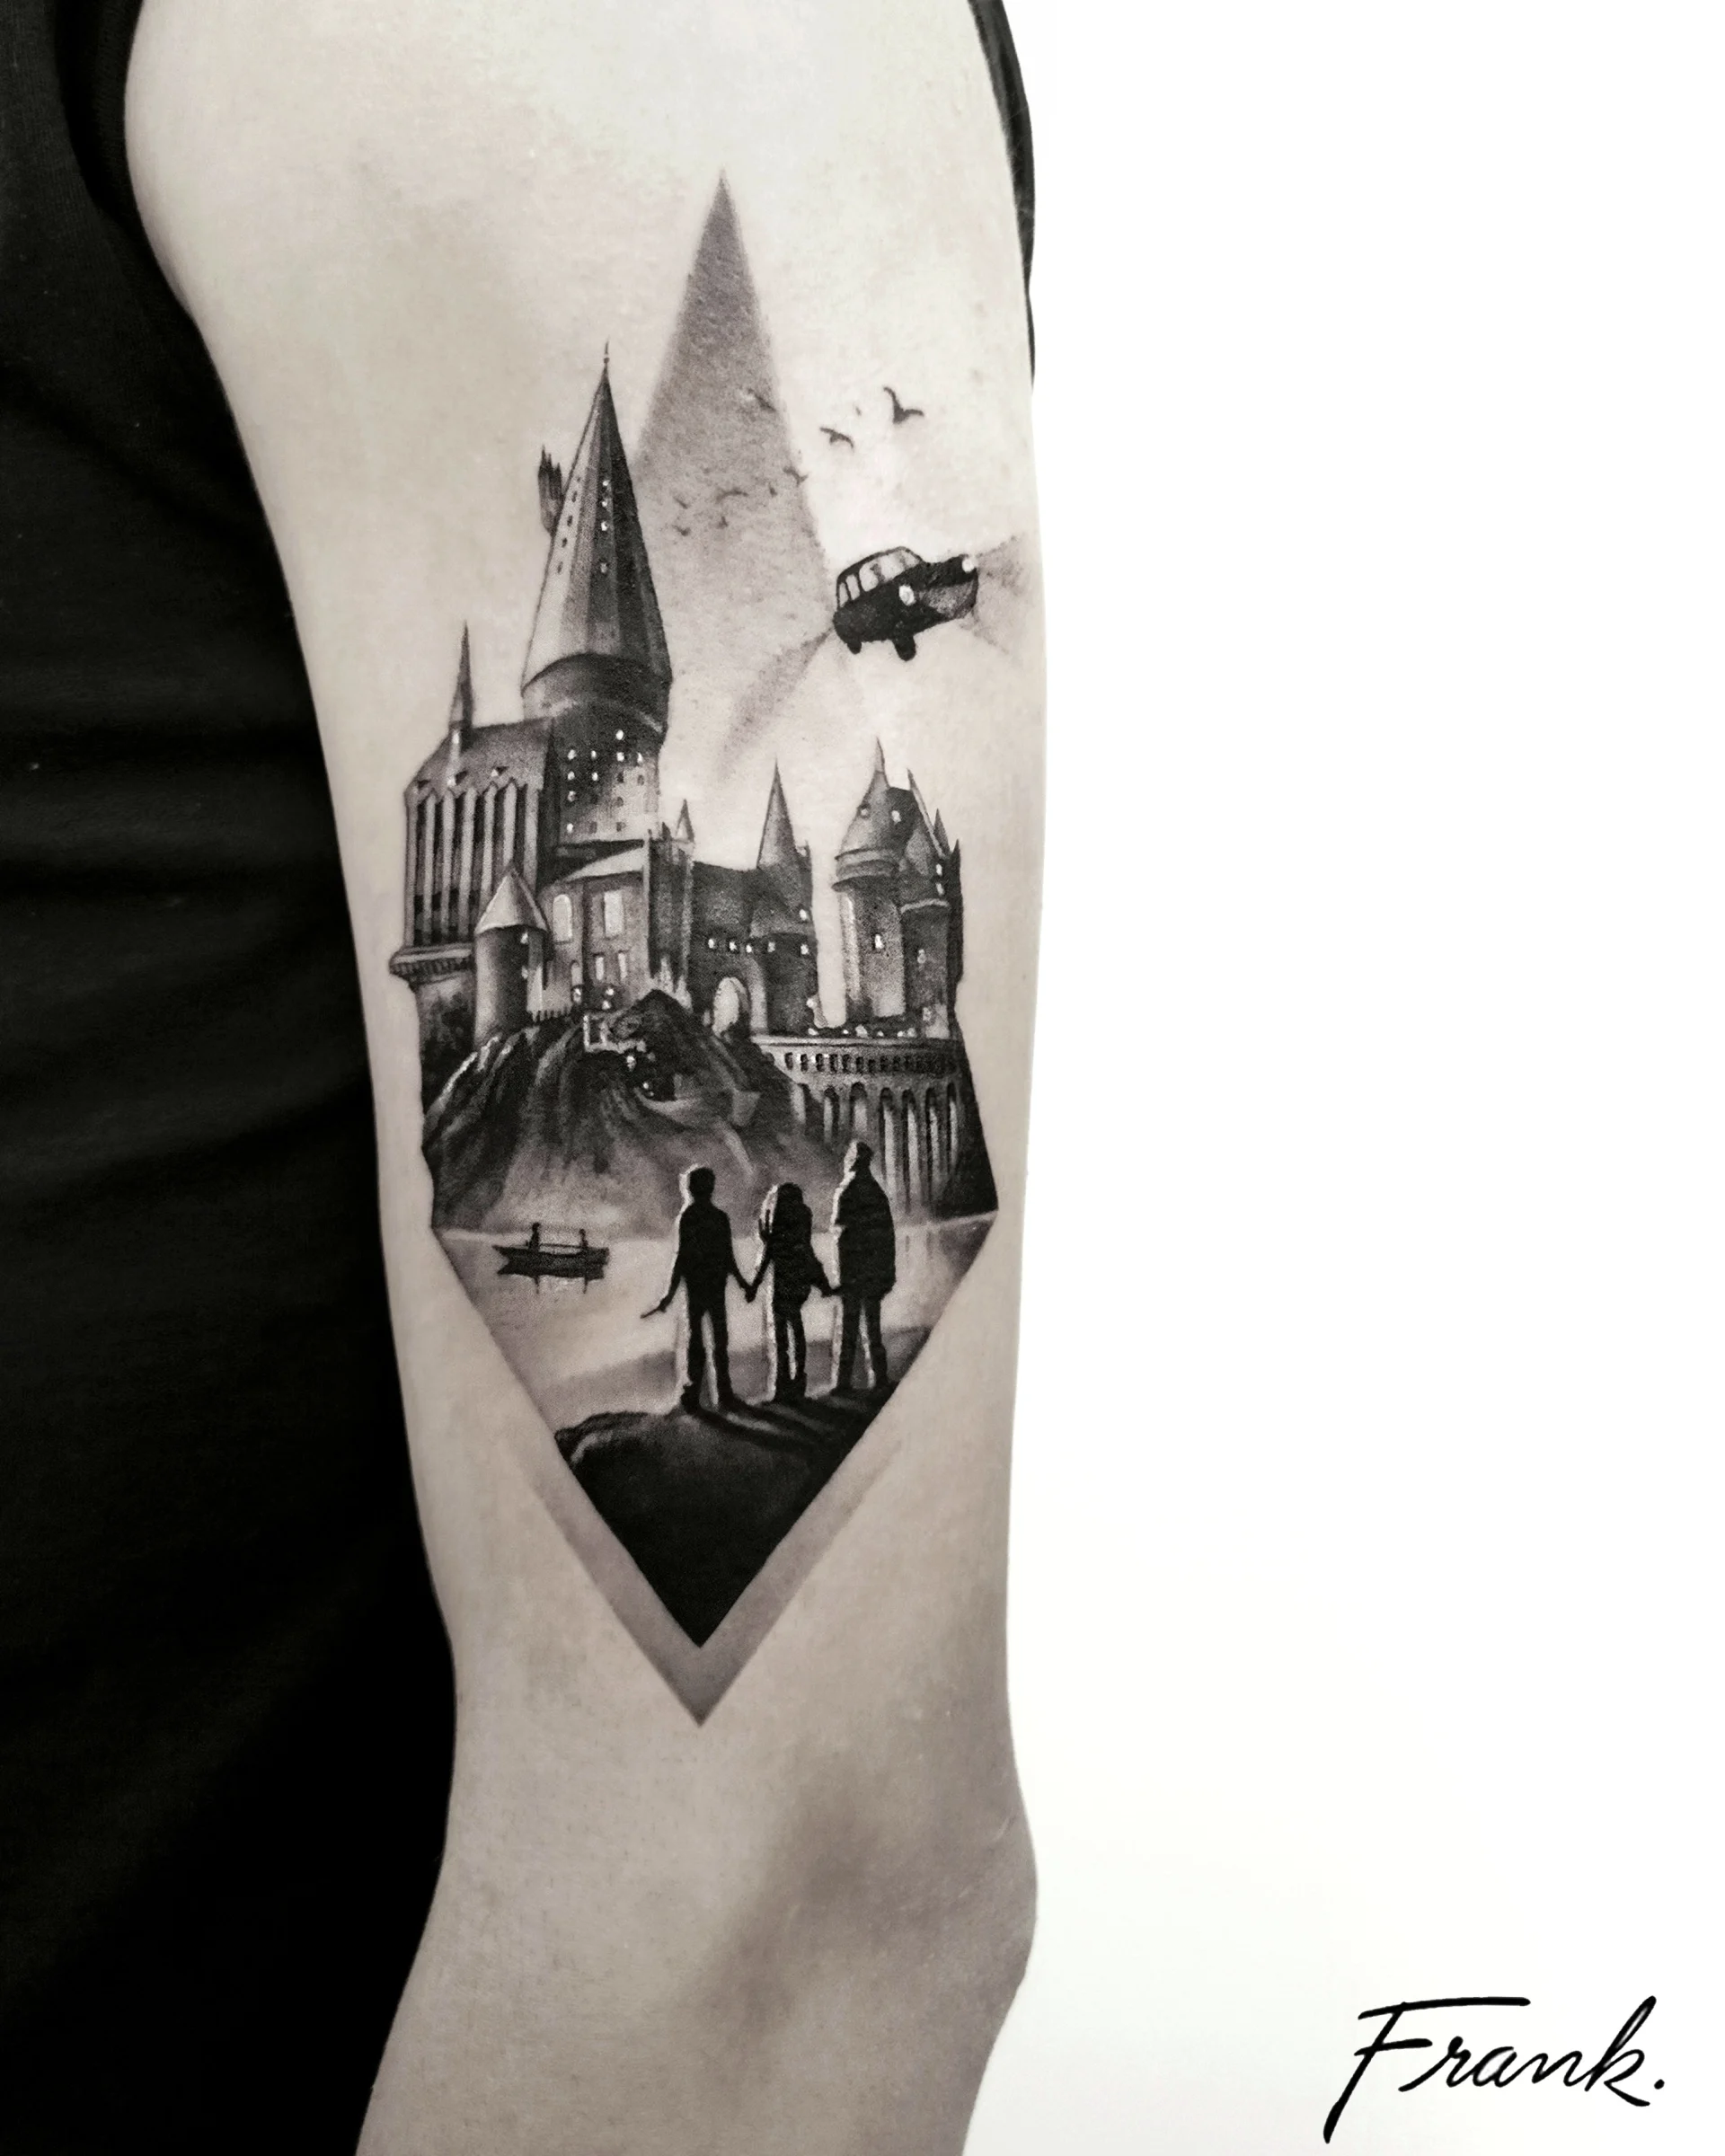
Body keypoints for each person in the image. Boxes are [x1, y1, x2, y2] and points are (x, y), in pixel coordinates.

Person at [650, 1166, 749, 1411]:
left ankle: (693, 1395)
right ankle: (723, 1394)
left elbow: (681, 1259)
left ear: (690, 1188)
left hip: (696, 1289)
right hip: (716, 1287)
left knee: (696, 1342)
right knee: (720, 1341)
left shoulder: (688, 1217)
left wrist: (669, 1295)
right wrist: (743, 1283)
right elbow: (729, 1258)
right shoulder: (720, 1218)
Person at [747, 1182, 834, 1401]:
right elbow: (808, 1252)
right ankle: (798, 1382)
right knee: (796, 1328)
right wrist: (822, 1282)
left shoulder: (774, 1222)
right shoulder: (802, 1218)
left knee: (780, 1336)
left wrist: (755, 1285)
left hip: (780, 1282)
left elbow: (768, 1254)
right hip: (799, 1283)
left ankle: (781, 1384)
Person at [831, 1141, 898, 1397]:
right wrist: (888, 1271)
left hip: (851, 1271)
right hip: (873, 1271)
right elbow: (887, 1237)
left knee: (847, 1328)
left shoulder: (845, 1191)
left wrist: (840, 1276)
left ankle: (842, 1382)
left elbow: (840, 1234)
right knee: (872, 1326)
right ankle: (879, 1377)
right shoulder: (877, 1193)